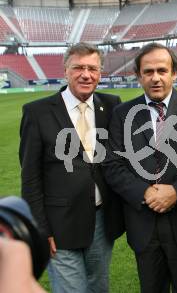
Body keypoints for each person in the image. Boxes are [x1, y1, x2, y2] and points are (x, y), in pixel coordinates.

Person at [103, 43, 177, 293]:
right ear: (138, 76)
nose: (156, 77)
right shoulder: (121, 113)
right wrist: (145, 193)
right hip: (143, 225)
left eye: (162, 70)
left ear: (174, 73)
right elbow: (112, 164)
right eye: (148, 71)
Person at [19, 42, 125, 292]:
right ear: (65, 70)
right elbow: (30, 176)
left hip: (101, 219)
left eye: (93, 68)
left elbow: (142, 118)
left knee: (99, 286)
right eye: (78, 67)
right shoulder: (37, 112)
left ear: (100, 73)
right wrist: (41, 228)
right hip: (59, 223)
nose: (86, 74)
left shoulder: (112, 105)